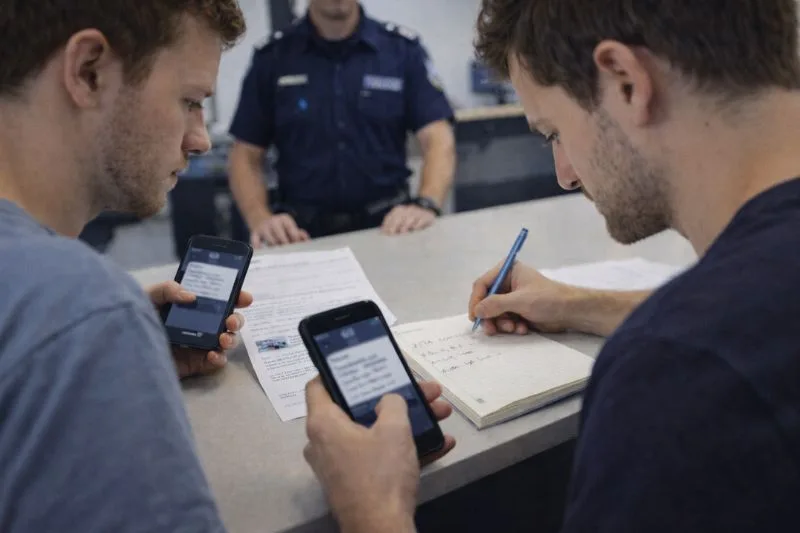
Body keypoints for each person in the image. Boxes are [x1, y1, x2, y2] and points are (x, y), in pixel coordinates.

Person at [302, 0, 800, 531]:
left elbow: (705, 337)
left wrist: (373, 511)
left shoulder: (676, 379)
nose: (565, 175)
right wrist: (576, 304)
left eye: (553, 132)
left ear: (626, 81)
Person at [0, 1, 264, 529]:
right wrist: (375, 507)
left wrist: (95, 362)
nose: (200, 139)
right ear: (89, 72)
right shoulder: (84, 311)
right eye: (190, 101)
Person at [228, 0, 457, 248]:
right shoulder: (273, 56)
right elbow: (245, 154)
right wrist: (260, 219)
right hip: (300, 236)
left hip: (389, 231)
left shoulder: (401, 50)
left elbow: (438, 137)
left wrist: (426, 203)